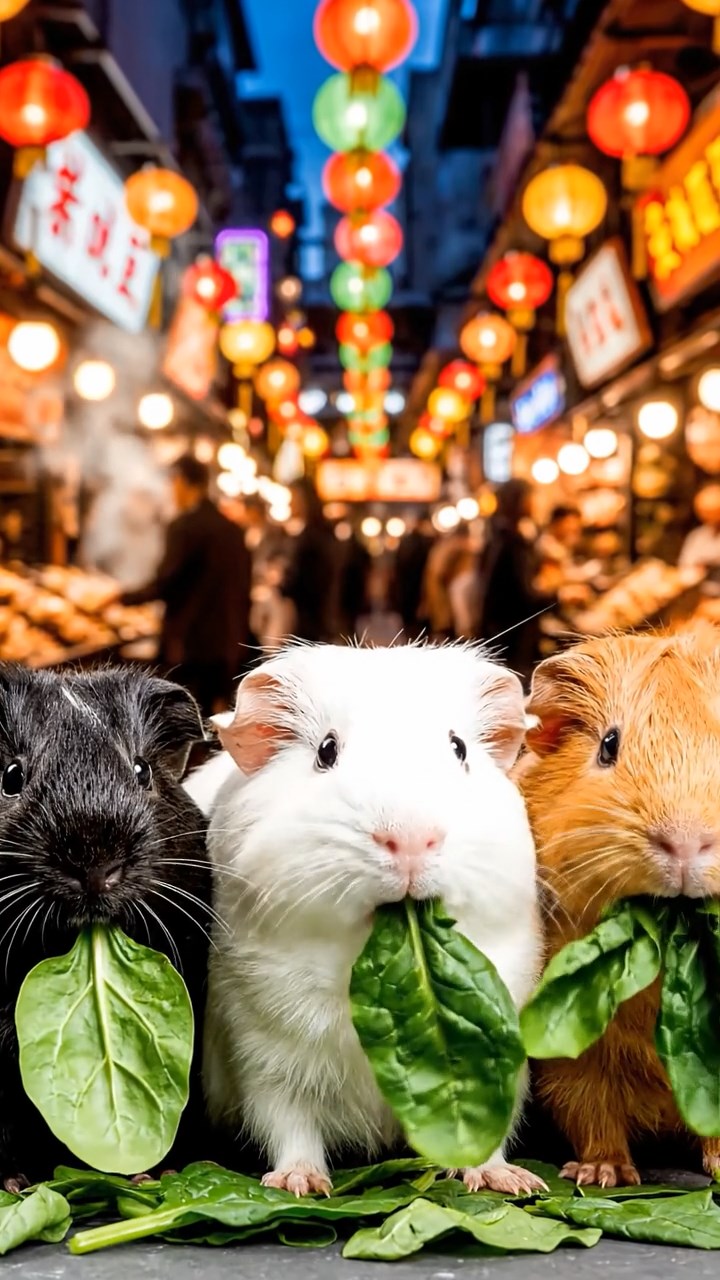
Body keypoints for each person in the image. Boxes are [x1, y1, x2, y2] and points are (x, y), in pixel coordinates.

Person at [120, 455, 252, 716]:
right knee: (212, 723)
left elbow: (166, 583)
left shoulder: (185, 527)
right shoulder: (233, 530)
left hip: (191, 647)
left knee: (183, 729)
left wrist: (122, 598)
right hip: (228, 646)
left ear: (182, 482)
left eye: (173, 482)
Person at [476, 478, 556, 681]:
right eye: (532, 498)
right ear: (519, 501)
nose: (536, 504)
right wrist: (558, 597)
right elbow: (523, 596)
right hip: (511, 636)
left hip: (501, 632)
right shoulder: (512, 541)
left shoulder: (499, 534)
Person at [281, 478, 339, 642]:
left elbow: (307, 578)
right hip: (317, 615)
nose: (290, 505)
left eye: (292, 499)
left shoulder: (313, 536)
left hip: (311, 616)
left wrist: (284, 583)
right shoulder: (320, 532)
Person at [392, 517, 432, 639]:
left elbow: (398, 566)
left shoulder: (405, 543)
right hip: (420, 588)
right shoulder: (425, 543)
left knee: (409, 622)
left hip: (405, 589)